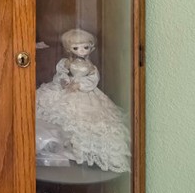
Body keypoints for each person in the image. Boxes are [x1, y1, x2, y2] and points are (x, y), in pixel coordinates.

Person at [35, 28, 130, 173]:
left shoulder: (90, 67)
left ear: (91, 48)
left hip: (85, 93)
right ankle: (63, 147)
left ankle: (82, 151)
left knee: (88, 119)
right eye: (76, 47)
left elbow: (93, 80)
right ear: (69, 48)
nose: (81, 50)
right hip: (68, 90)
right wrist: (65, 81)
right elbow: (61, 73)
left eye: (85, 47)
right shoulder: (66, 62)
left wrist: (79, 84)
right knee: (61, 113)